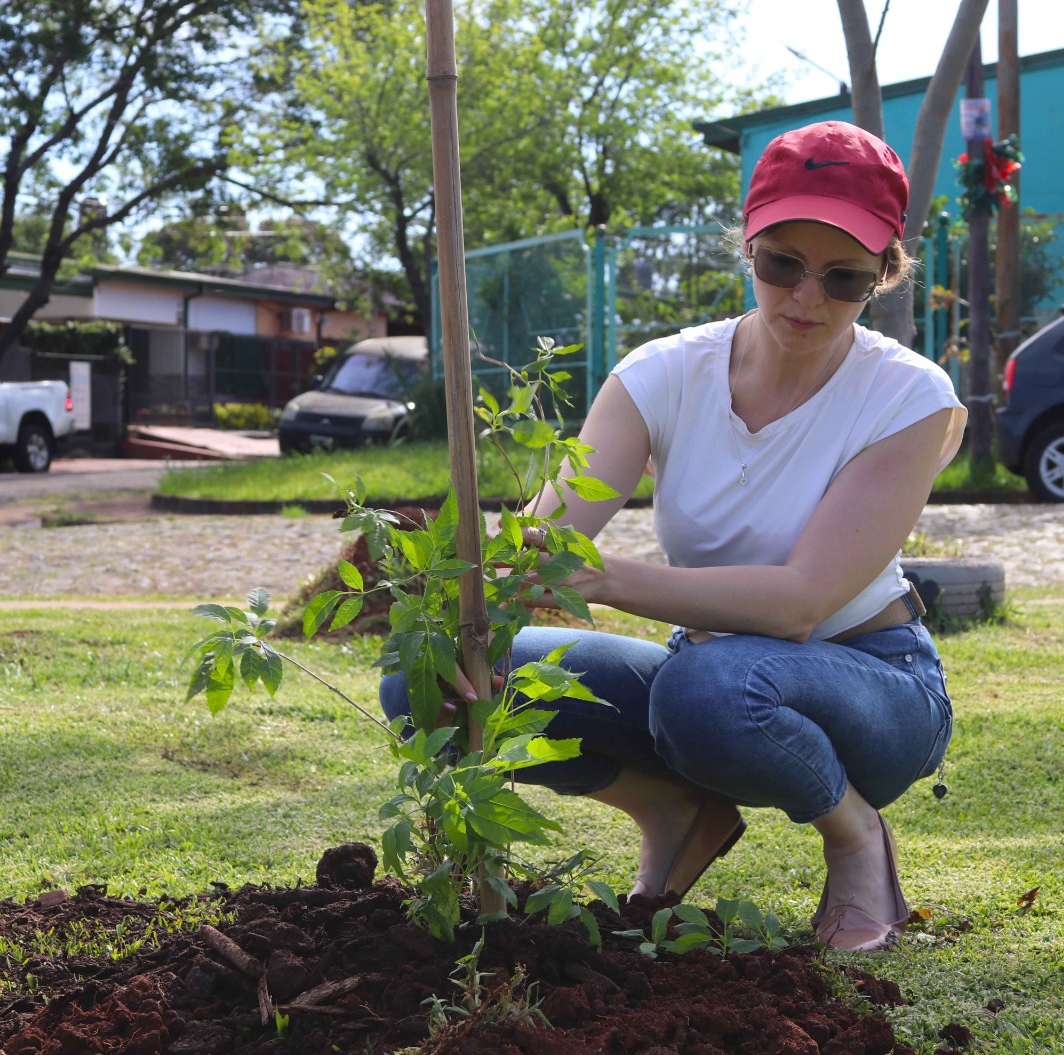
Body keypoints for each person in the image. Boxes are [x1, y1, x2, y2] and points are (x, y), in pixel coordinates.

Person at [383, 120, 965, 952]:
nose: (806, 297)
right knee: (419, 681)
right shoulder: (664, 373)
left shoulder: (909, 396)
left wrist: (602, 576)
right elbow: (544, 540)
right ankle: (673, 810)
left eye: (842, 278)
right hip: (709, 675)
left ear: (884, 274)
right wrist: (478, 632)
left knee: (706, 690)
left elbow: (801, 604)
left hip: (876, 685)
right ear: (749, 246)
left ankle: (855, 835)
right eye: (782, 264)